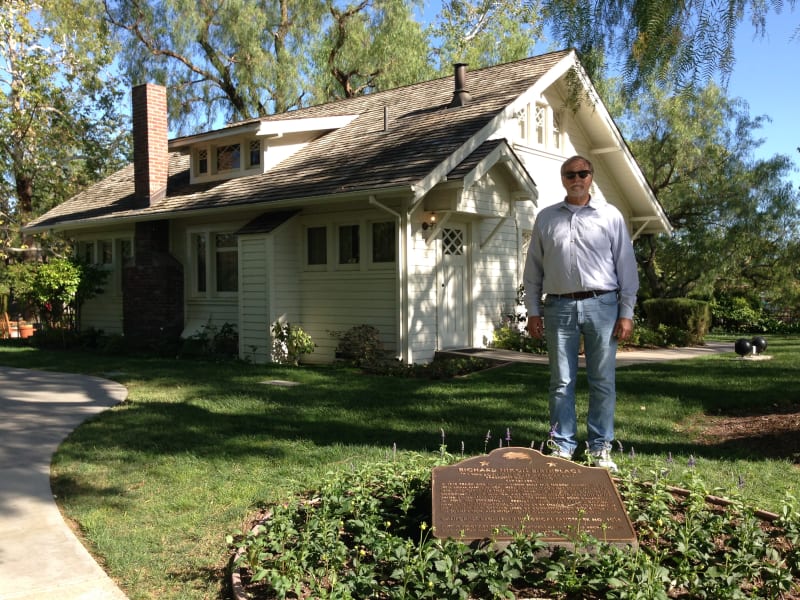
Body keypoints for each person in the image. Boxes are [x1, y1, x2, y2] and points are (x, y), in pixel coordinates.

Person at [522, 155, 638, 471]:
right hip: (559, 306)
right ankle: (563, 446)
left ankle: (600, 448)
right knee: (561, 381)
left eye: (583, 173)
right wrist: (533, 311)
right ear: (563, 179)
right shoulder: (546, 218)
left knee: (603, 380)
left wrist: (626, 312)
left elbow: (626, 266)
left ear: (591, 177)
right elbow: (532, 269)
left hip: (603, 305)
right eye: (570, 174)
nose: (577, 178)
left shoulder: (610, 216)